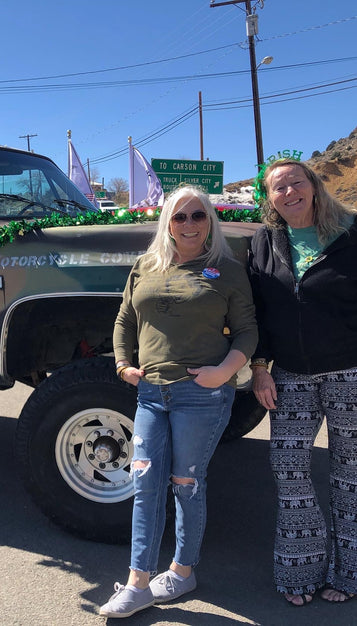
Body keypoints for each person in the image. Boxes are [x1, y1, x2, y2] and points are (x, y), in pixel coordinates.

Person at [99, 185, 258, 618]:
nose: (189, 224)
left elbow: (246, 330)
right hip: (151, 394)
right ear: (167, 222)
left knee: (186, 484)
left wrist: (225, 372)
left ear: (210, 222)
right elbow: (124, 318)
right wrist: (121, 364)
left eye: (198, 216)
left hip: (201, 395)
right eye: (180, 216)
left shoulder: (225, 269)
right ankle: (137, 582)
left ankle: (183, 571)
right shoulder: (145, 266)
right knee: (145, 481)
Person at [249, 158, 357, 607]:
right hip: (289, 374)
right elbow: (255, 308)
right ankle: (300, 569)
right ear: (269, 199)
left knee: (351, 475)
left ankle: (349, 573)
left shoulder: (350, 233)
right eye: (278, 188)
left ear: (313, 186)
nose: (289, 191)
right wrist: (258, 366)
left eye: (296, 182)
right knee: (289, 468)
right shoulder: (264, 241)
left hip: (349, 371)